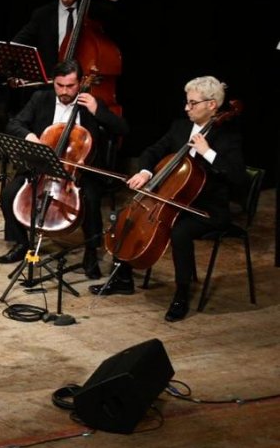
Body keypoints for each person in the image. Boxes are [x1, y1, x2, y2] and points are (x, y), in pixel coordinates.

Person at [91, 76, 247, 322]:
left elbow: (238, 177)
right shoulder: (180, 127)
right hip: (173, 200)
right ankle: (123, 278)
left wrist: (208, 152)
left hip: (206, 209)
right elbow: (153, 151)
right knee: (128, 214)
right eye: (187, 102)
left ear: (212, 105)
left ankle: (181, 295)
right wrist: (145, 172)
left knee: (179, 232)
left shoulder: (227, 137)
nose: (187, 108)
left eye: (193, 103)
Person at [0, 60, 128, 278]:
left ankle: (91, 252)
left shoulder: (91, 104)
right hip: (43, 166)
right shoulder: (41, 99)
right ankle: (21, 243)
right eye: (59, 85)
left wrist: (97, 111)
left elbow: (122, 129)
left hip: (78, 171)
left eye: (70, 86)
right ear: (53, 82)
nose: (64, 91)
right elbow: (14, 124)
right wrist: (31, 138)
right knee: (9, 194)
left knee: (92, 200)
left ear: (80, 83)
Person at [12, 0, 119, 82]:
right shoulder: (43, 14)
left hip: (82, 81)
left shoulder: (92, 12)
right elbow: (20, 40)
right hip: (51, 82)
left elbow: (118, 14)